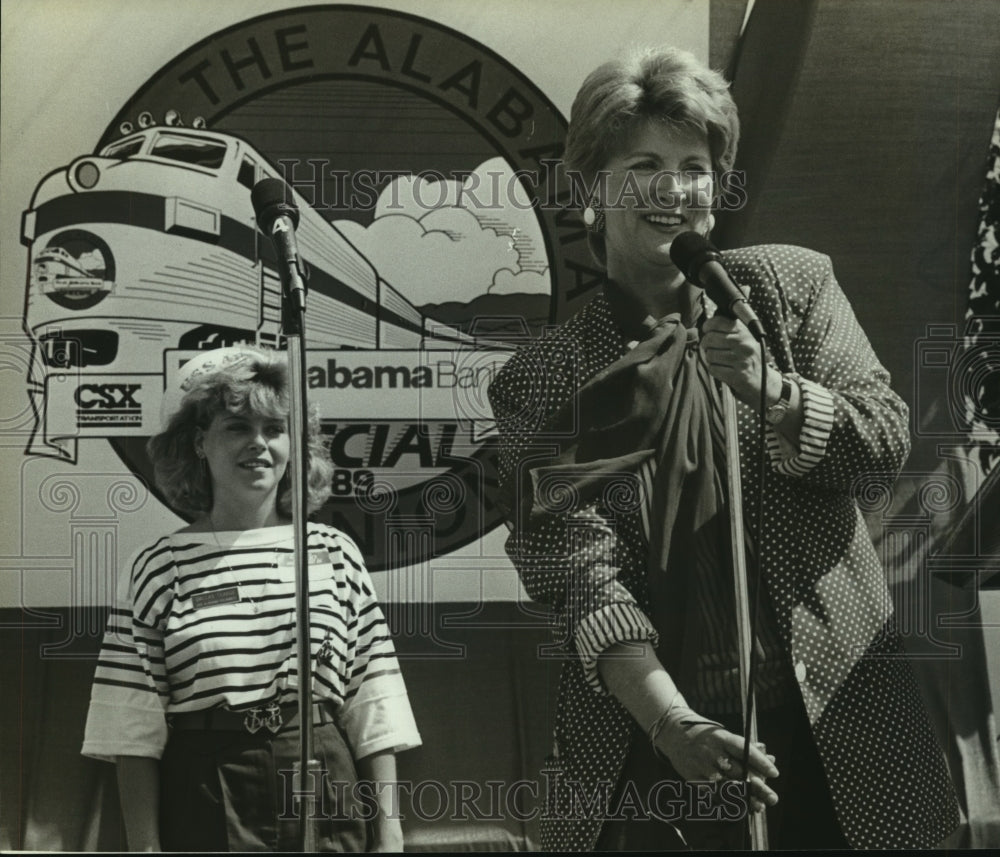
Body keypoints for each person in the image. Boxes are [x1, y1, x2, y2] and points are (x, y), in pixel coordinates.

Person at [487, 46, 960, 851]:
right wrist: (673, 722)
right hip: (656, 747)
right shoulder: (546, 377)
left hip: (842, 730)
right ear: (588, 190)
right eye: (645, 164)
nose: (676, 190)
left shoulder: (788, 290)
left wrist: (778, 395)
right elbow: (576, 573)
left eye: (696, 166)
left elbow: (882, 443)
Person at [82, 345, 421, 852]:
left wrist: (390, 836)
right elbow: (131, 724)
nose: (258, 444)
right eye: (237, 427)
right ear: (200, 442)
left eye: (274, 429)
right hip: (204, 788)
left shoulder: (332, 553)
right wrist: (145, 848)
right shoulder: (158, 566)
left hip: (323, 780)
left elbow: (373, 700)